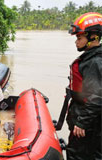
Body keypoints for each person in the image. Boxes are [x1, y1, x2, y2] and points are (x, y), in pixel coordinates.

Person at [65, 12, 102, 160]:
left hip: (88, 126)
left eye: (79, 38)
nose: (76, 42)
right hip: (85, 120)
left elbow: (97, 96)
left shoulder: (94, 63)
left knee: (78, 155)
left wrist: (82, 123)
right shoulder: (89, 59)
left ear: (93, 37)